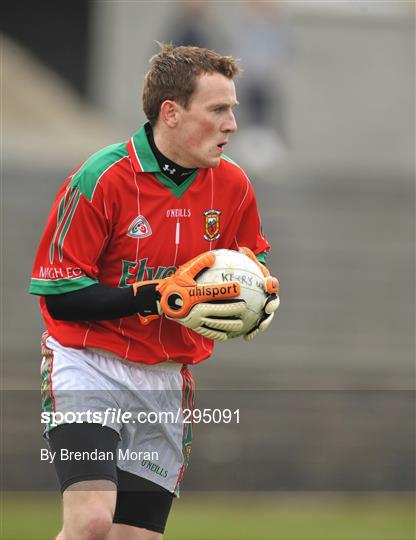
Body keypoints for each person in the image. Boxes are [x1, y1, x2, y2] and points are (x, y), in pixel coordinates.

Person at [30, 44, 280, 540]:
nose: (233, 124)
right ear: (172, 112)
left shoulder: (233, 186)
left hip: (165, 381)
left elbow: (251, 263)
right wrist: (157, 296)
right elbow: (58, 295)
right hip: (88, 366)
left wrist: (259, 297)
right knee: (92, 522)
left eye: (233, 109)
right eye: (218, 110)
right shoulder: (102, 177)